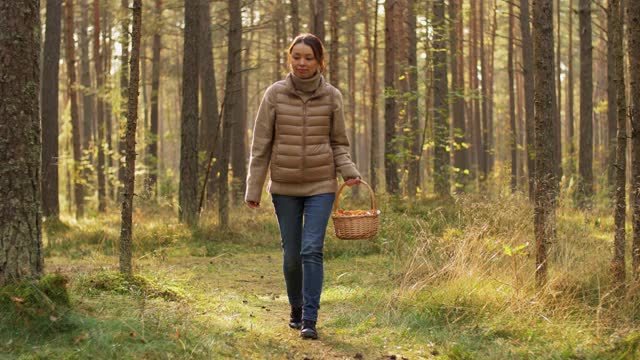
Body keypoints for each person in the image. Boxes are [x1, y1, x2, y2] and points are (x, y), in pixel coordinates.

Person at [245, 33, 361, 340]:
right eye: (296, 56)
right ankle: (295, 308)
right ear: (289, 59)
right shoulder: (275, 94)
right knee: (291, 255)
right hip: (283, 187)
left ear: (320, 61)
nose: (302, 63)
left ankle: (310, 317)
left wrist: (348, 171)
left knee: (312, 249)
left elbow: (338, 143)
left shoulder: (332, 96)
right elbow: (261, 146)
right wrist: (253, 190)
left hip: (321, 184)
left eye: (308, 57)